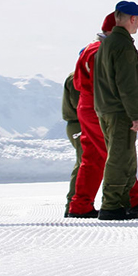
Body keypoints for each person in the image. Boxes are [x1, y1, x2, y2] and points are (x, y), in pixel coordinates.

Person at [67, 12, 138, 219]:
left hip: (86, 105)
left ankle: (80, 204)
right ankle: (128, 200)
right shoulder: (102, 50)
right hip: (101, 106)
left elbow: (76, 83)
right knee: (117, 153)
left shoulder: (88, 50)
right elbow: (111, 81)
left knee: (93, 157)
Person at [95, 0, 138, 220]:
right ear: (133, 19)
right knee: (120, 158)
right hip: (120, 112)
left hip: (105, 109)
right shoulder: (123, 45)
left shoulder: (107, 44)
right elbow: (128, 84)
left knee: (124, 157)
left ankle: (121, 203)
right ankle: (111, 205)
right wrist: (135, 114)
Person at [61, 72, 82, 217]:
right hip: (79, 123)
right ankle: (72, 204)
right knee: (84, 163)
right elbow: (80, 104)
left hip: (81, 123)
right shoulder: (77, 77)